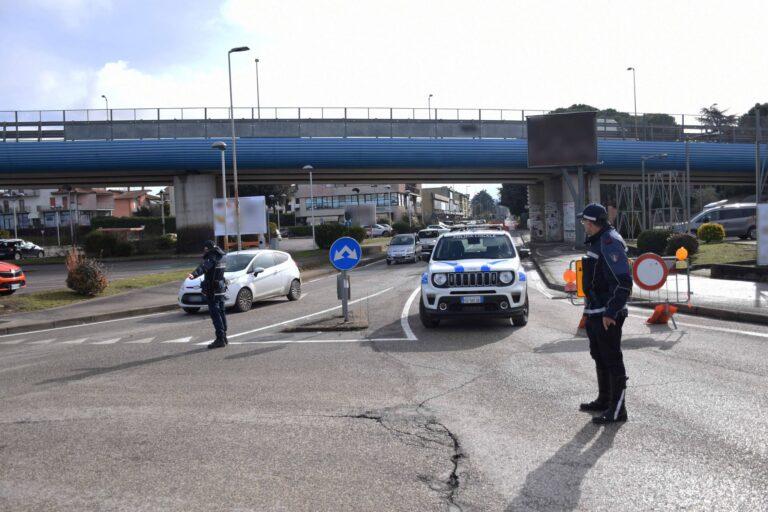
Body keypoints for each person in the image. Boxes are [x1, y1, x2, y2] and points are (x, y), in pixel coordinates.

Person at [577, 204, 633, 424]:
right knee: (599, 355)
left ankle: (619, 410)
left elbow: (623, 281)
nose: (584, 227)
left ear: (592, 223)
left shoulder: (609, 241)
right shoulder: (599, 241)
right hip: (595, 310)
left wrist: (611, 312)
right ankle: (605, 400)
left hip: (606, 313)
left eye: (585, 223)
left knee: (612, 359)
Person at [188, 240, 228, 349]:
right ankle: (224, 336)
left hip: (213, 290)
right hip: (220, 288)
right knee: (221, 312)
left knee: (215, 314)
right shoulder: (222, 256)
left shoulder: (212, 256)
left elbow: (204, 266)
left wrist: (194, 274)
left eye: (205, 248)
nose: (204, 251)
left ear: (207, 248)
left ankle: (220, 339)